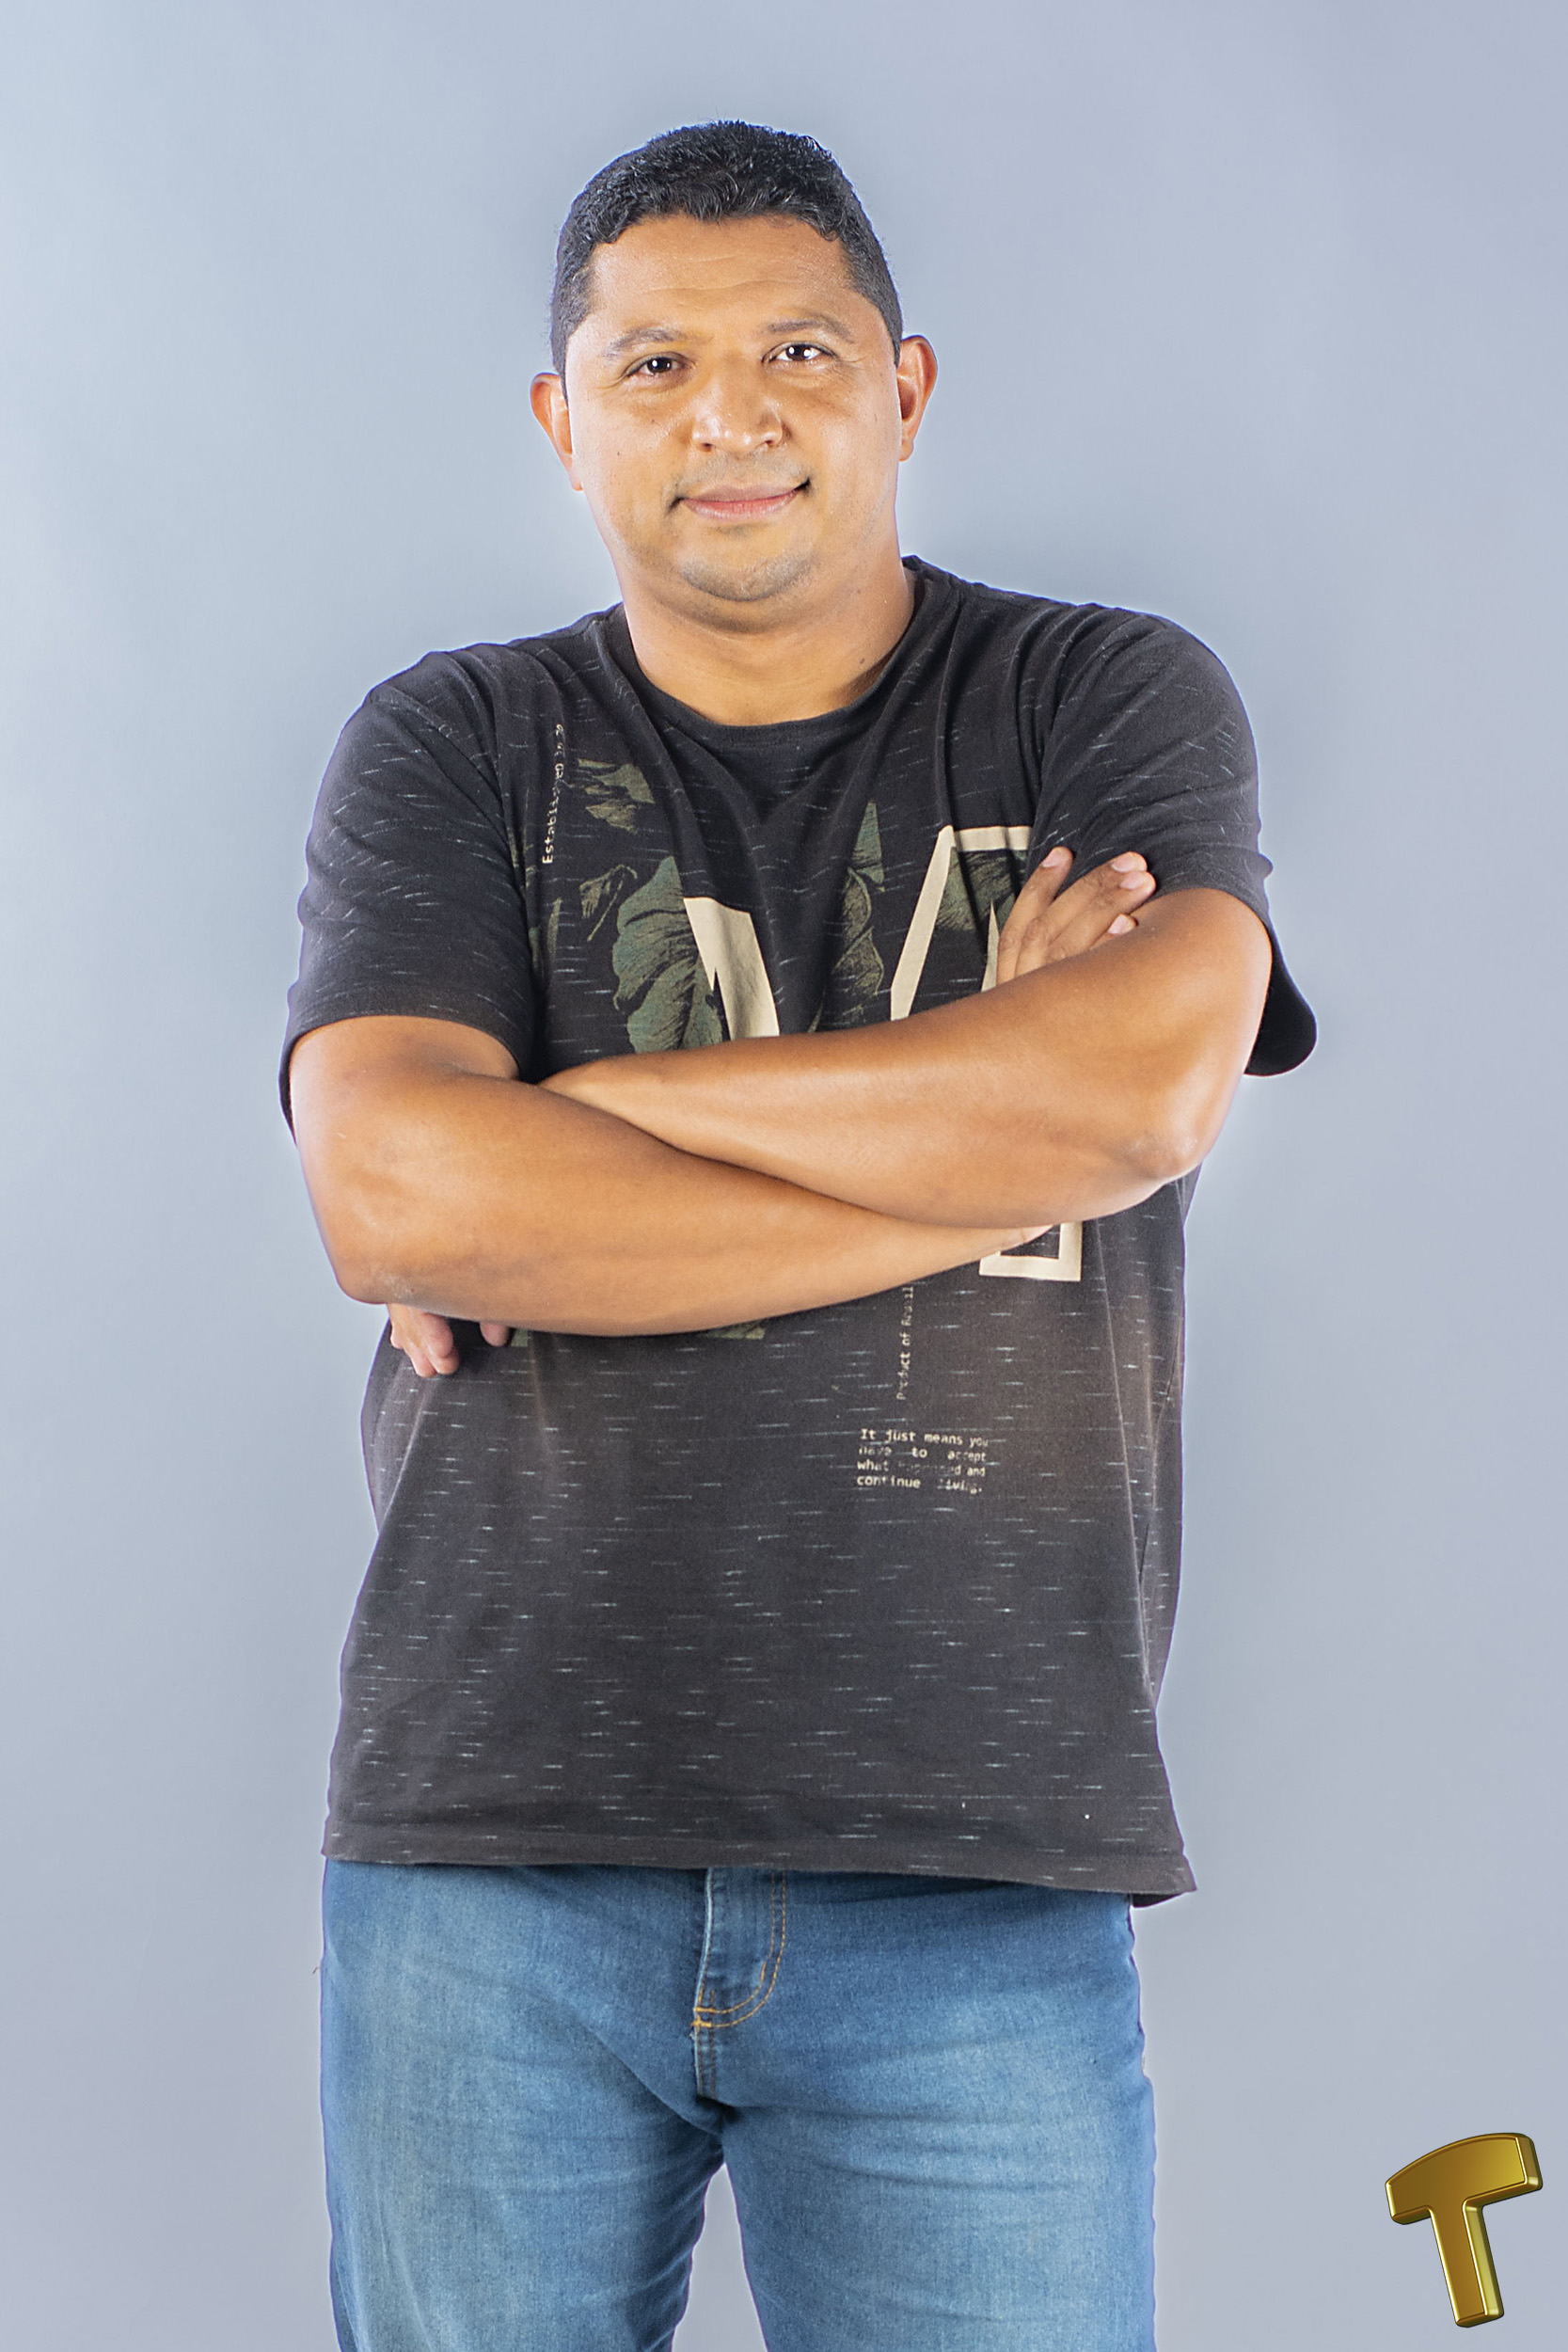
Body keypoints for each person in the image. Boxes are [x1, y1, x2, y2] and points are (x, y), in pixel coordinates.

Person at [284, 119, 1313, 2352]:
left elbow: (1142, 1089)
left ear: (905, 389)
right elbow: (397, 1192)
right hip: (499, 1844)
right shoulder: (461, 741)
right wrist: (990, 1118)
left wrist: (574, 1123)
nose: (729, 416)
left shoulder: (1100, 701)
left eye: (801, 353)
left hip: (973, 1854)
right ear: (563, 421)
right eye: (654, 366)